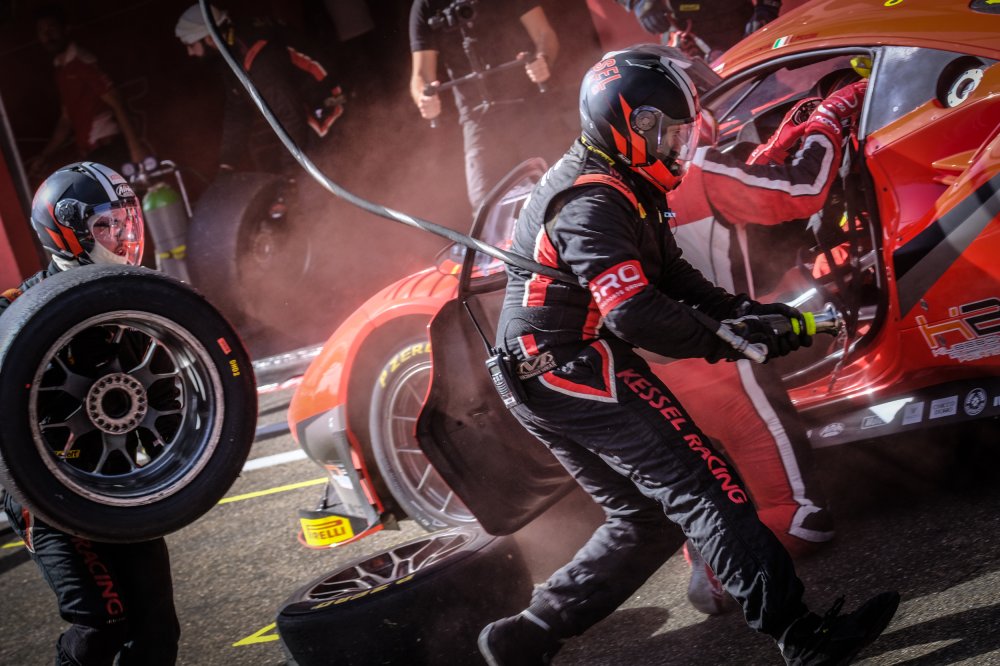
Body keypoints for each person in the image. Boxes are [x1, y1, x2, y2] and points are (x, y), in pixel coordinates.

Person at [478, 46, 898, 665]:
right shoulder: (591, 200)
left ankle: (522, 638)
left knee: (647, 520)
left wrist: (753, 316)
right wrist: (731, 340)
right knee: (705, 487)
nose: (682, 144)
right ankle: (800, 636)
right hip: (568, 366)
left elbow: (673, 277)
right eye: (674, 132)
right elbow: (635, 312)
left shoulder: (625, 181)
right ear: (638, 124)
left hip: (549, 368)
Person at [662, 70, 869, 614]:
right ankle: (720, 561)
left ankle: (713, 536)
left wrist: (778, 144)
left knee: (727, 483)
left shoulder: (615, 193)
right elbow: (803, 191)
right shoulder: (700, 170)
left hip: (661, 373)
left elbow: (731, 198)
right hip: (729, 370)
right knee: (803, 520)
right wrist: (829, 120)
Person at [0, 161, 180, 665]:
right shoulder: (13, 311)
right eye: (105, 225)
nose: (122, 237)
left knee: (157, 631)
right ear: (66, 230)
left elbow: (168, 407)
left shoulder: (141, 306)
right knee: (100, 624)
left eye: (125, 222)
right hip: (45, 491)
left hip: (117, 482)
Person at [409, 0, 563, 209]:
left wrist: (542, 59)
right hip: (476, 120)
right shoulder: (425, 5)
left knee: (559, 187)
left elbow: (544, 34)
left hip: (528, 108)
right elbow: (420, 75)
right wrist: (424, 98)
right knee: (485, 207)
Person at [174, 3, 346, 176]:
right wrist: (227, 164)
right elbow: (238, 110)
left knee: (326, 166)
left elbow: (291, 116)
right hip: (304, 104)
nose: (190, 53)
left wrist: (291, 175)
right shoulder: (230, 51)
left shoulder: (256, 56)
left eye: (191, 45)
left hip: (330, 101)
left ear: (209, 39)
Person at [27, 5, 146, 183]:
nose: (48, 35)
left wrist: (135, 149)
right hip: (93, 156)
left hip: (109, 150)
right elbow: (66, 120)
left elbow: (116, 102)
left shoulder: (81, 61)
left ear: (66, 29)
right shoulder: (61, 70)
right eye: (42, 31)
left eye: (52, 28)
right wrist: (45, 155)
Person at [615, 0, 782, 61]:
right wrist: (637, 2)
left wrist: (767, 7)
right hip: (682, 34)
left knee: (760, 97)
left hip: (740, 26)